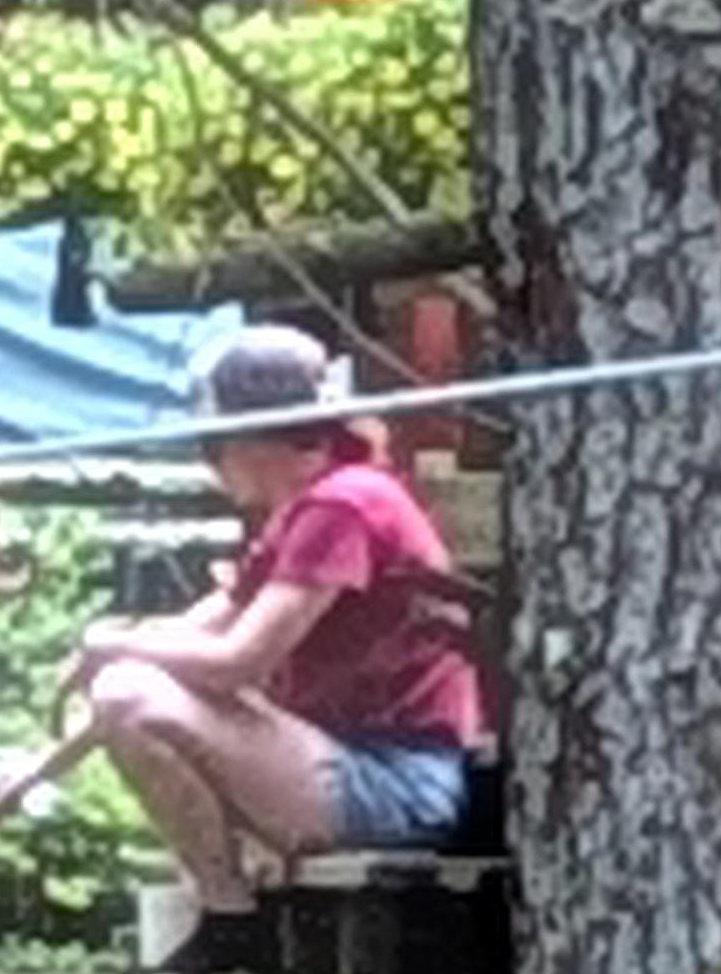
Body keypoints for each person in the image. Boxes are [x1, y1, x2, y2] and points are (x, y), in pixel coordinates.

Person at [64, 322, 489, 921]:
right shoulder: (305, 513)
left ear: (256, 439)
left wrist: (114, 646)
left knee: (130, 696)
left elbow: (241, 659)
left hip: (398, 782)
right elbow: (208, 626)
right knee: (132, 688)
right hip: (351, 765)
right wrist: (118, 646)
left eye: (213, 444)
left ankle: (227, 918)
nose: (211, 463)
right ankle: (227, 901)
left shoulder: (342, 507)